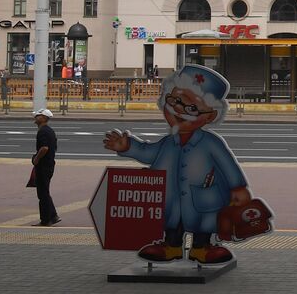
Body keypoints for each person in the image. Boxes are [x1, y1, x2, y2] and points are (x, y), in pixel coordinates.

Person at [102, 64, 268, 264]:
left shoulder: (210, 143)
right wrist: (128, 146)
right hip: (171, 197)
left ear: (210, 116)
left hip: (204, 198)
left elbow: (227, 165)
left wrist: (238, 188)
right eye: (174, 100)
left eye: (192, 108)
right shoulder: (168, 142)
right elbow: (149, 152)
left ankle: (202, 247)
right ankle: (171, 246)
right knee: (172, 221)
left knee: (203, 223)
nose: (179, 109)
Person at [32, 108, 61, 226]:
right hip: (49, 165)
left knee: (42, 193)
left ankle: (45, 220)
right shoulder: (49, 130)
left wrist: (36, 159)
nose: (35, 117)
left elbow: (44, 148)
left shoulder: (43, 131)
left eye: (38, 116)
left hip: (43, 166)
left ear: (44, 118)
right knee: (45, 192)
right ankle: (53, 215)